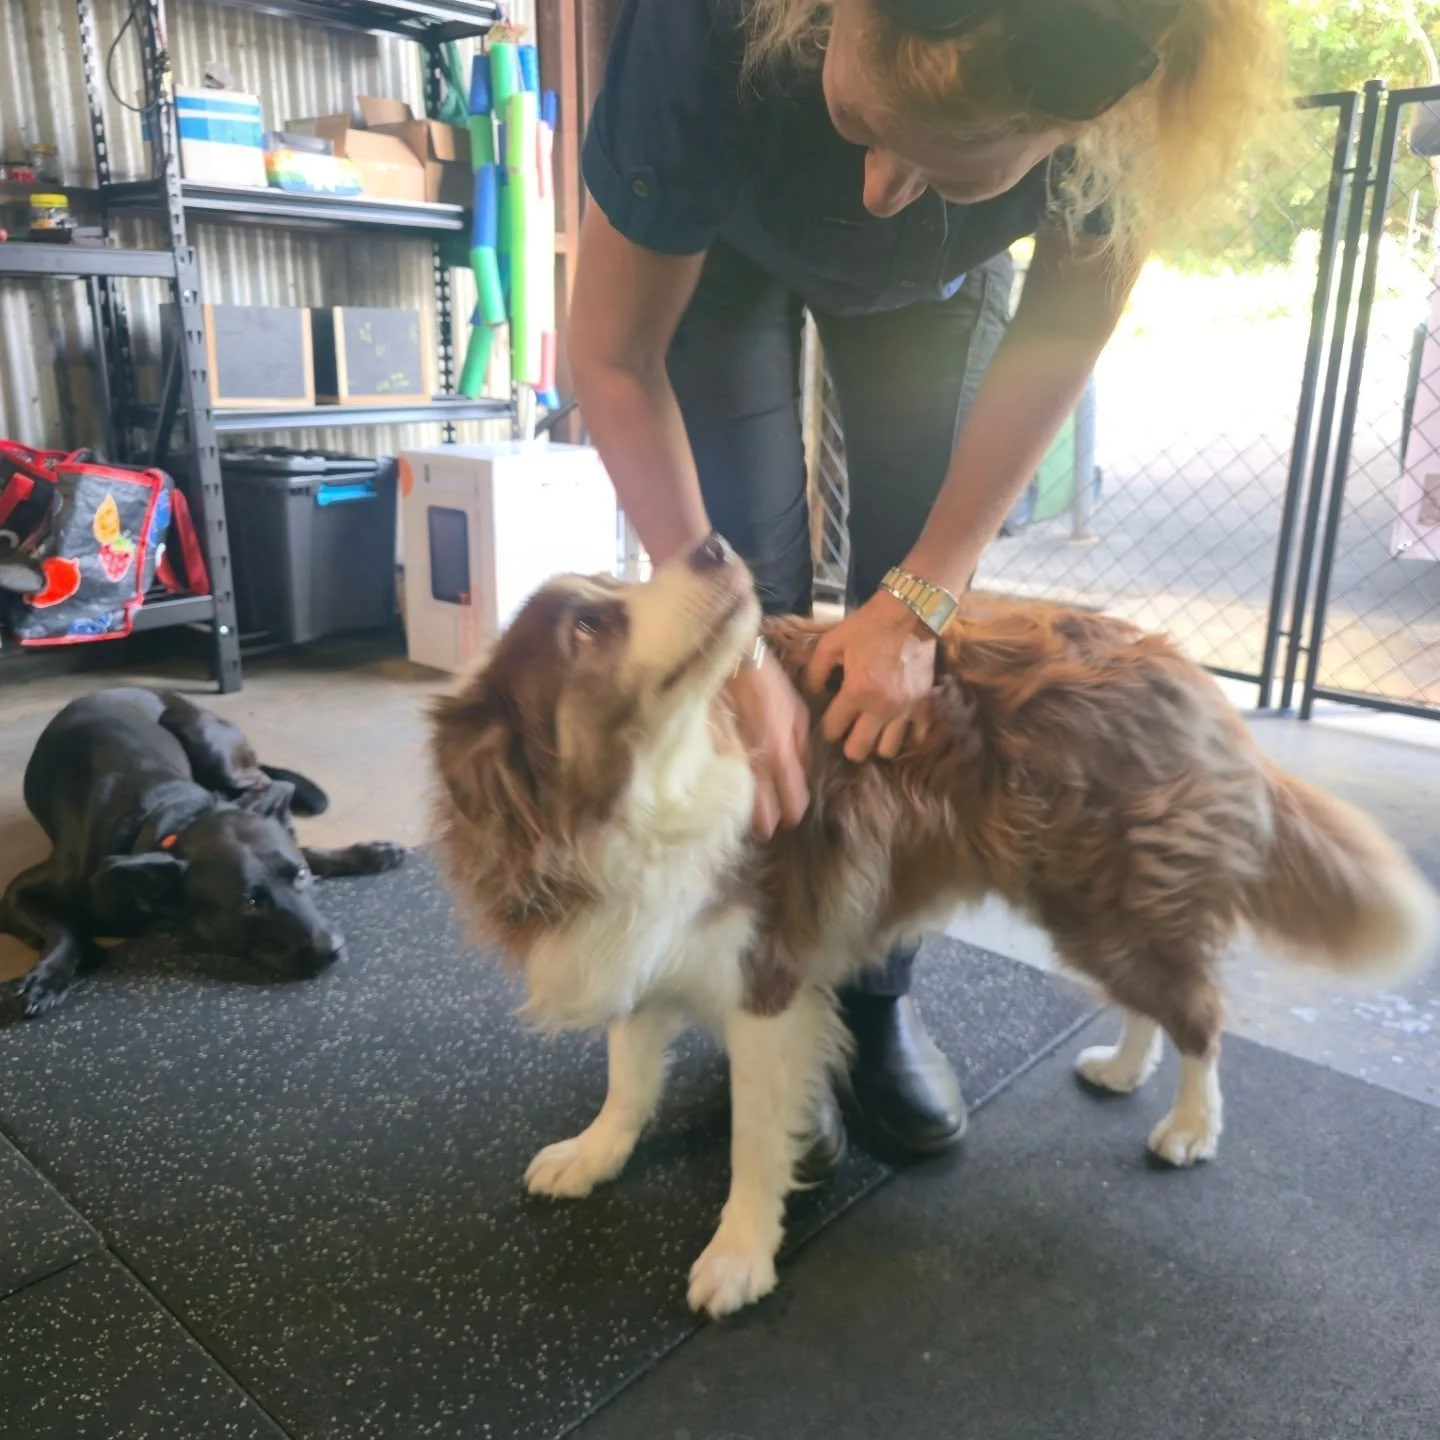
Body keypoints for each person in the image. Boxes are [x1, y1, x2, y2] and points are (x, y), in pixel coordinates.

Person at [567, 0, 1279, 1172]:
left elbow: (1066, 320)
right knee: (746, 608)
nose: (880, 192)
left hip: (939, 299)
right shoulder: (697, 27)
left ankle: (873, 993)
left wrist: (927, 593)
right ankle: (758, 982)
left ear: (1069, 136)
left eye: (950, 171)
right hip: (726, 260)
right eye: (863, 121)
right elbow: (608, 353)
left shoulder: (1132, 76)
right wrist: (724, 633)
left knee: (902, 668)